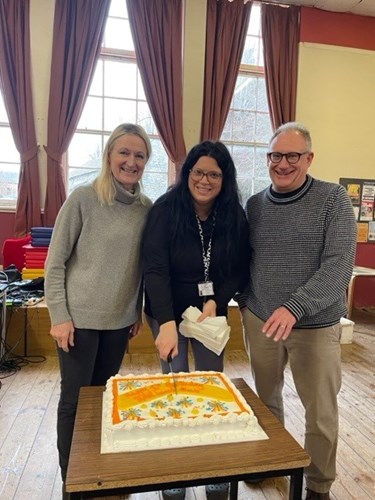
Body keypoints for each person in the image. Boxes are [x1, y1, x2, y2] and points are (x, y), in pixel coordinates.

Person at [237, 122, 357, 500]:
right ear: (268, 158)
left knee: (319, 412)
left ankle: (318, 485)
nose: (283, 163)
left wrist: (294, 306)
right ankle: (272, 461)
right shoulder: (255, 205)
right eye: (276, 155)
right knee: (266, 398)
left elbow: (339, 266)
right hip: (260, 319)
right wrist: (246, 301)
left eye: (292, 155)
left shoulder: (333, 200)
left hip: (315, 326)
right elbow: (245, 258)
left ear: (309, 158)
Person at [45, 123, 153, 494]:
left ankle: (95, 472)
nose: (131, 161)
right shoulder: (83, 199)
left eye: (139, 155)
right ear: (109, 155)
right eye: (124, 152)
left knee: (103, 400)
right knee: (75, 401)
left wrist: (135, 310)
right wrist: (59, 316)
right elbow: (55, 263)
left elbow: (139, 265)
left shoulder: (145, 208)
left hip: (119, 322)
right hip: (78, 322)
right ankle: (71, 481)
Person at [142, 140, 249, 500]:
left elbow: (238, 268)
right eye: (198, 171)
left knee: (209, 387)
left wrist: (218, 300)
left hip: (208, 314)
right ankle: (175, 474)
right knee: (174, 386)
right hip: (167, 309)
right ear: (187, 172)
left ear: (225, 178)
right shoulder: (165, 210)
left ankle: (214, 472)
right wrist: (166, 320)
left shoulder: (233, 214)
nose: (205, 180)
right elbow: (154, 270)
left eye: (214, 174)